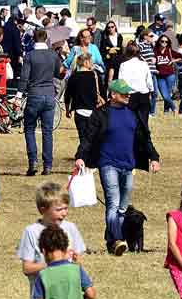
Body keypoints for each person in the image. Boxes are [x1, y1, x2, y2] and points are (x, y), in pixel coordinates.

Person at [74, 79, 160, 256]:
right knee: (112, 203)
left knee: (123, 206)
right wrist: (80, 157)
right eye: (123, 93)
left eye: (128, 93)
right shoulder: (100, 114)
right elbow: (88, 138)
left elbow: (144, 138)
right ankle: (117, 240)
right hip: (108, 164)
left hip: (128, 166)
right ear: (113, 95)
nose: (128, 96)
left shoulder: (132, 114)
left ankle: (111, 239)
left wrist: (153, 156)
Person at [17, 181, 86, 299]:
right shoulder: (31, 231)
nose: (64, 213)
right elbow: (27, 268)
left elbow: (79, 262)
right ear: (43, 210)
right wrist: (55, 264)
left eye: (66, 208)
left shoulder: (71, 228)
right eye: (59, 209)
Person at [18, 29, 63, 176]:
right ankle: (48, 165)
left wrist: (18, 95)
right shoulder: (53, 54)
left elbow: (24, 77)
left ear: (33, 40)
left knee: (29, 128)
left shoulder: (30, 55)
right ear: (46, 39)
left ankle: (33, 161)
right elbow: (58, 73)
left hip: (34, 94)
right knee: (47, 131)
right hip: (49, 95)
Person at [64, 53, 101, 152]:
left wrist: (67, 110)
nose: (92, 63)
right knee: (93, 136)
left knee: (83, 137)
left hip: (79, 111)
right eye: (91, 61)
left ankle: (83, 157)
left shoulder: (73, 77)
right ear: (86, 62)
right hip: (93, 111)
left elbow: (67, 96)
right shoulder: (95, 76)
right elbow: (101, 93)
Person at [117, 41, 154, 126]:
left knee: (131, 121)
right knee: (144, 121)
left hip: (130, 95)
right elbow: (149, 80)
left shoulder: (123, 65)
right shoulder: (144, 64)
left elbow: (121, 81)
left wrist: (122, 94)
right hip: (143, 94)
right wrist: (151, 90)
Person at [153, 34, 182, 114]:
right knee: (165, 95)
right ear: (159, 41)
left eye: (166, 42)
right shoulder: (155, 51)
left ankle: (166, 111)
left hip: (170, 75)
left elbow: (181, 57)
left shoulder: (169, 50)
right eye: (162, 41)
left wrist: (173, 61)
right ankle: (174, 108)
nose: (164, 43)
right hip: (160, 76)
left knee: (168, 95)